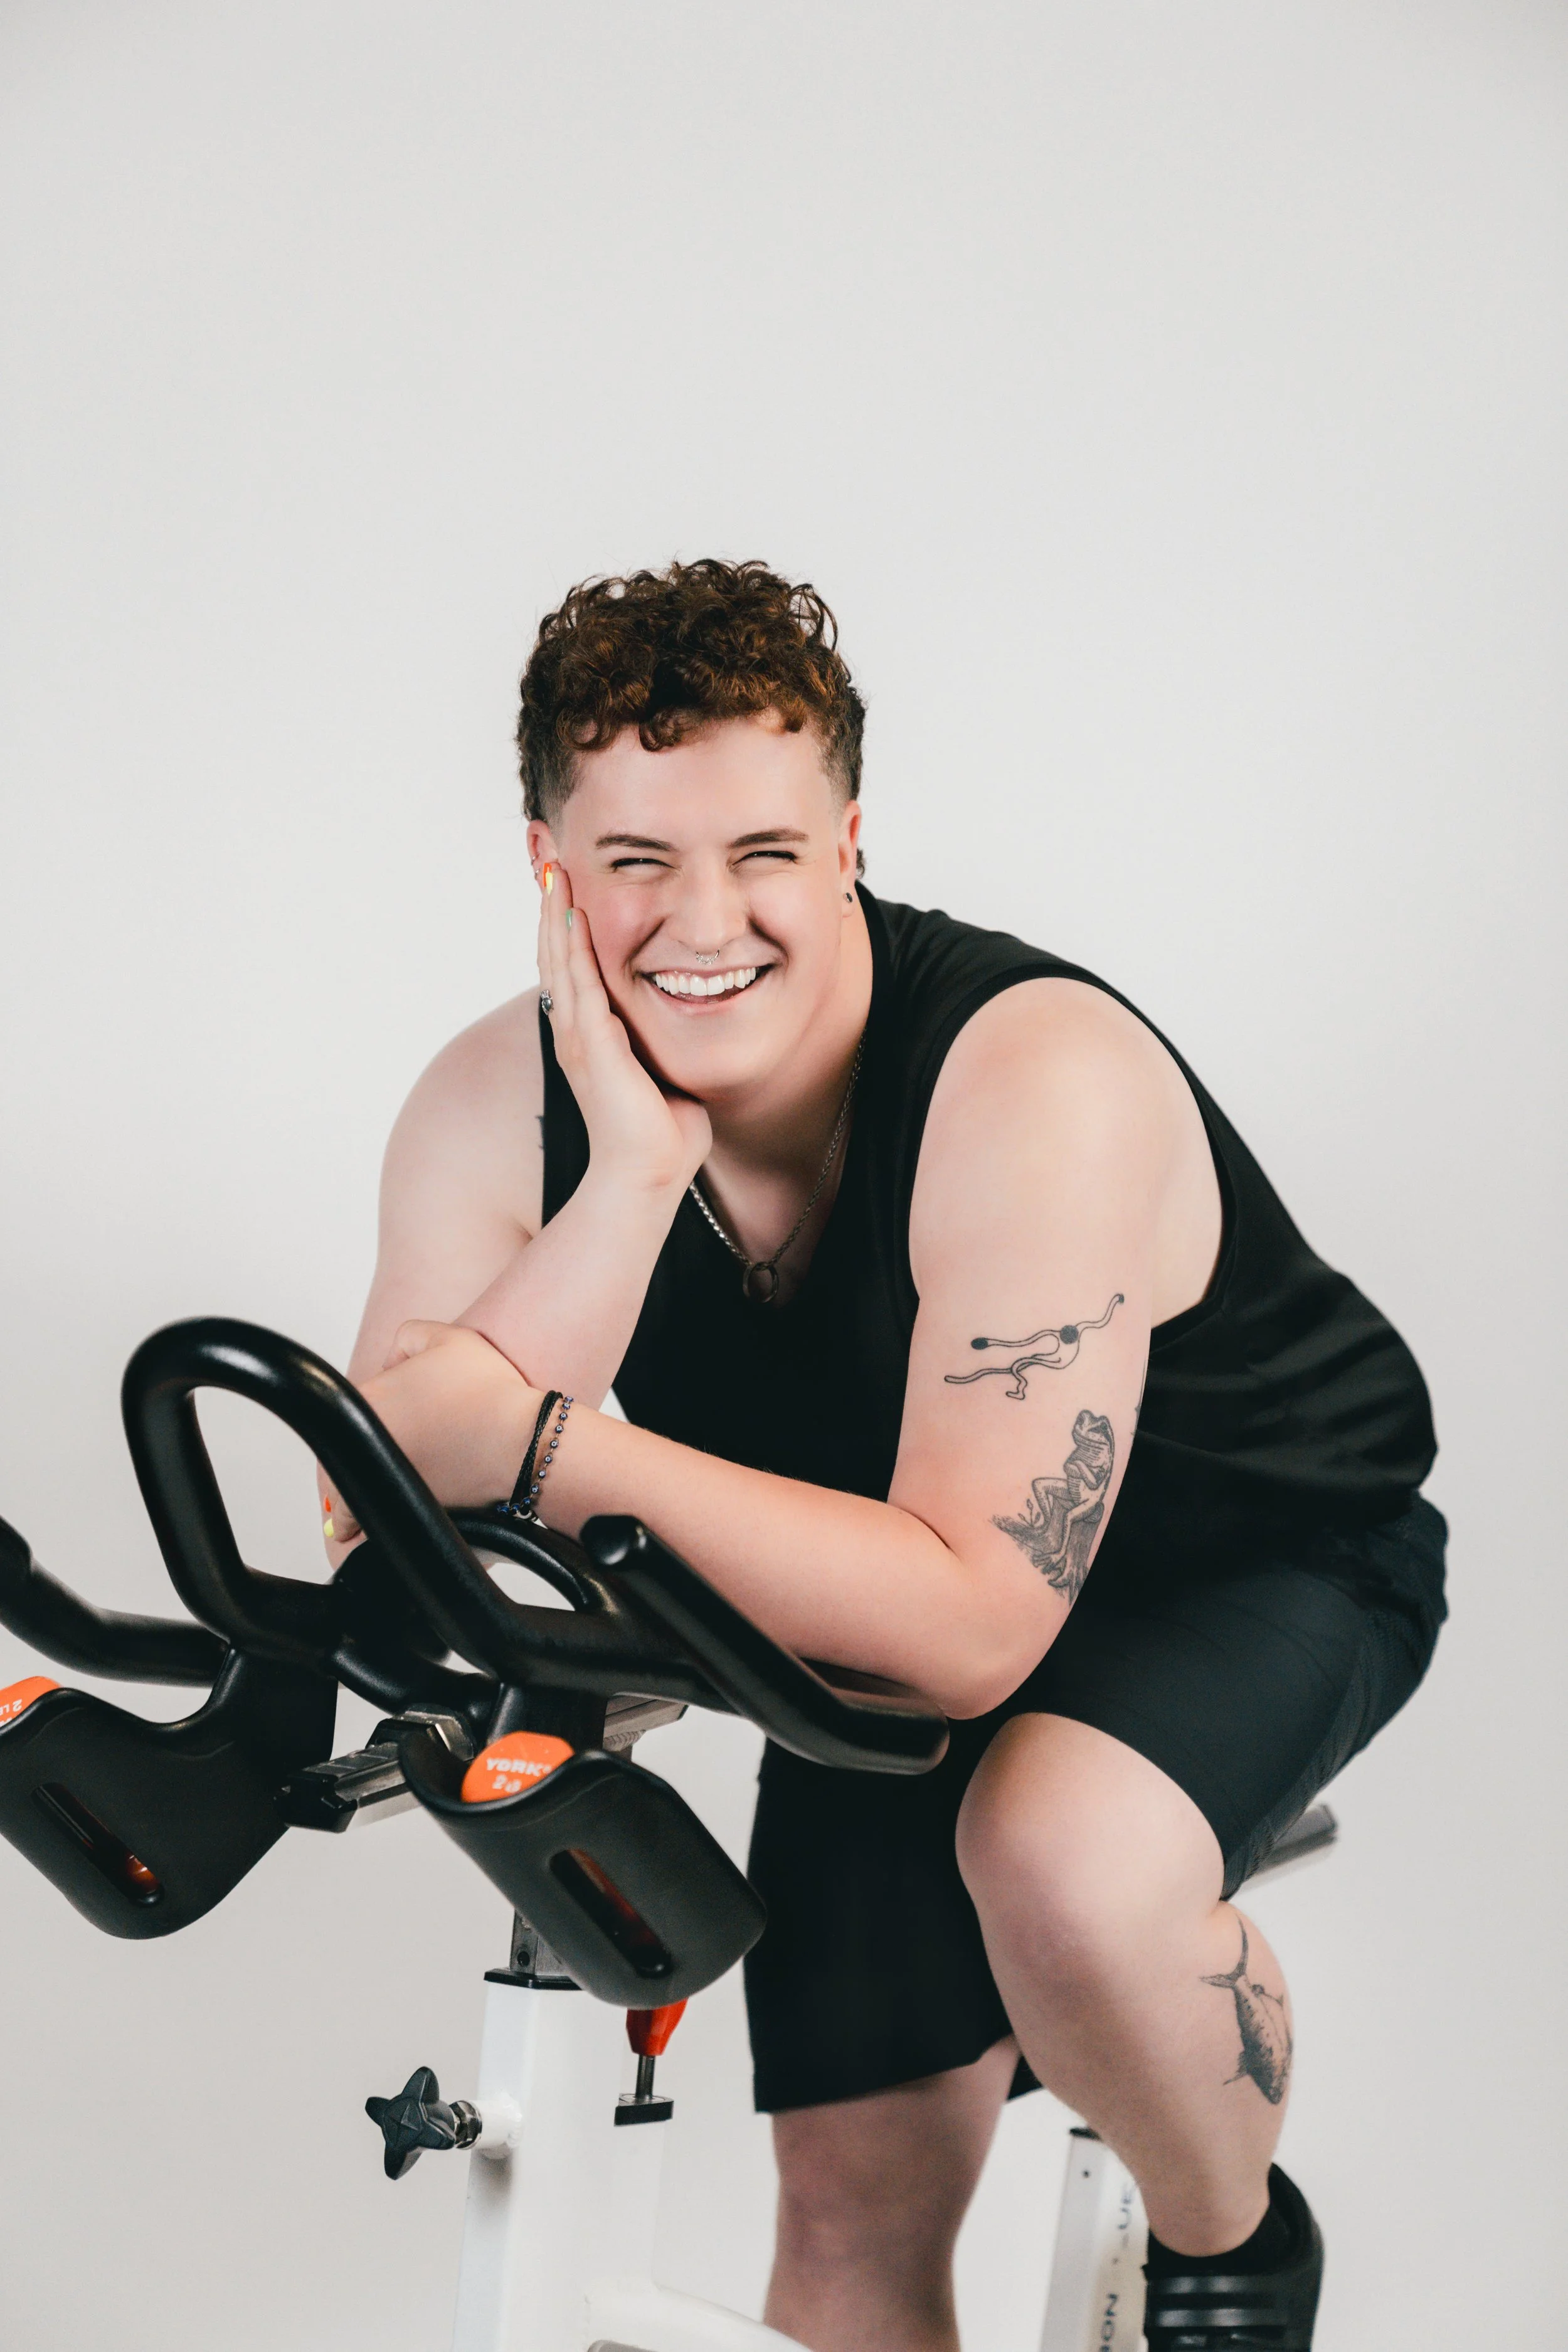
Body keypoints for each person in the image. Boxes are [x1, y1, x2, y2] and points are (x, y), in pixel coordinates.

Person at [326, 559, 1444, 2352]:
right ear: (550, 870)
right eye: (635, 864)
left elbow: (974, 1623)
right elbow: (379, 1521)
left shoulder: (1033, 1076)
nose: (707, 920)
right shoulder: (496, 1105)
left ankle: (1228, 2236)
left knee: (1057, 1847)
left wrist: (547, 1444)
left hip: (1241, 1556)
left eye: (764, 850)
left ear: (848, 837)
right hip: (851, 1589)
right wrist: (626, 1177)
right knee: (846, 2216)